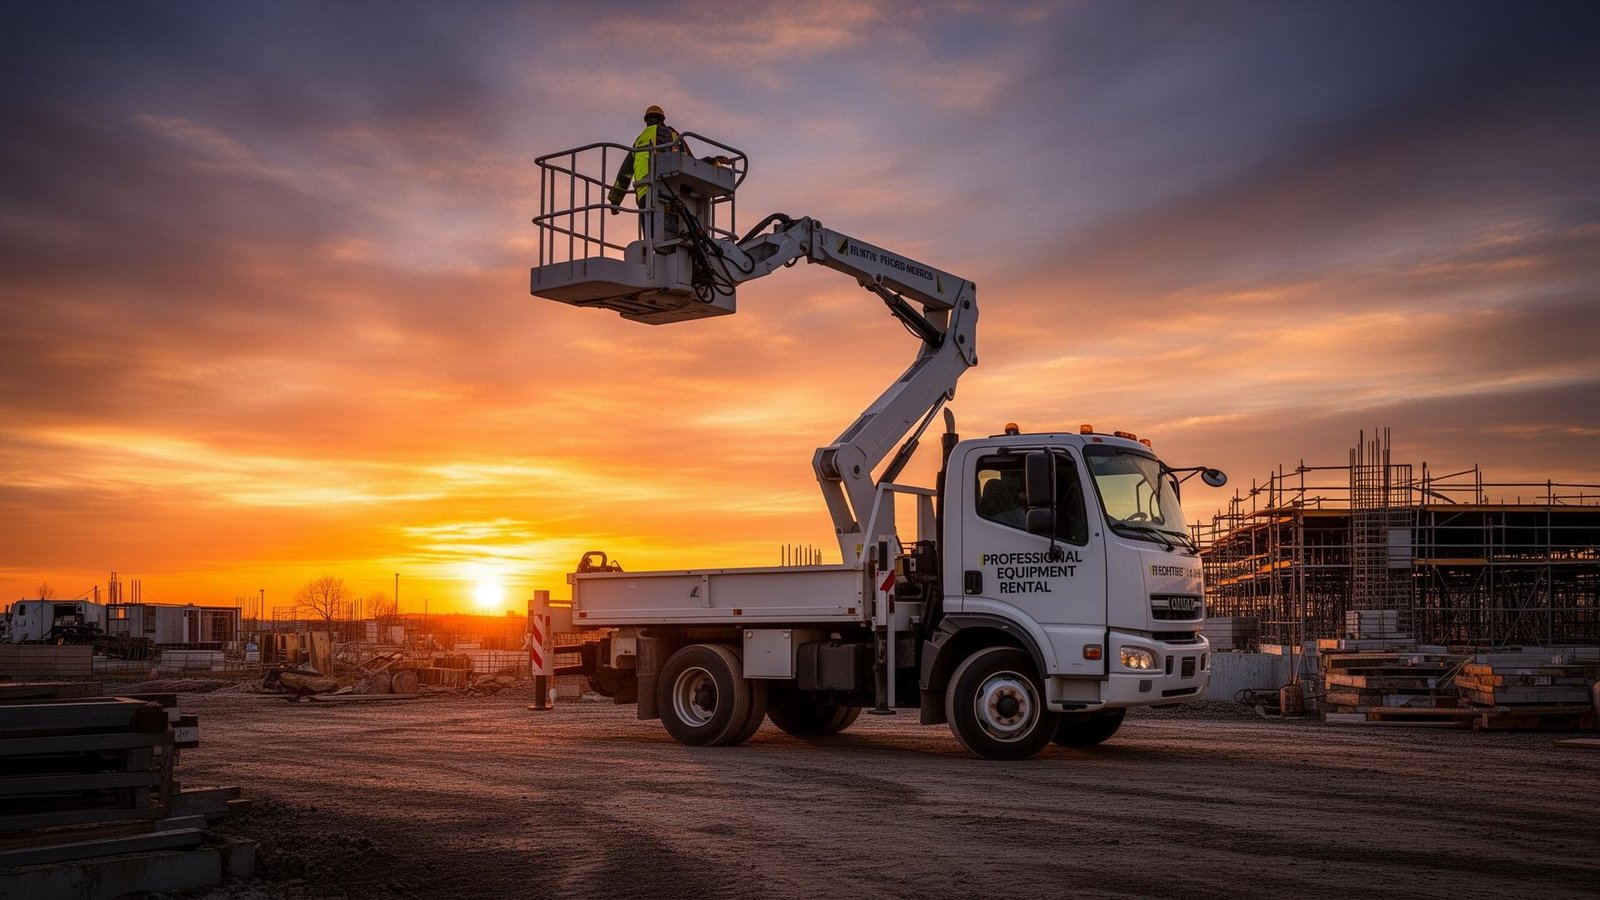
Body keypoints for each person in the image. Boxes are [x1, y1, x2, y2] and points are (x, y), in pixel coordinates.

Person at [608, 105, 692, 216]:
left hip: (644, 195)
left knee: (650, 232)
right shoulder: (670, 134)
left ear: (646, 121)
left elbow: (625, 174)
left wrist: (615, 201)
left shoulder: (639, 140)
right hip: (668, 192)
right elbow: (688, 161)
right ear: (662, 120)